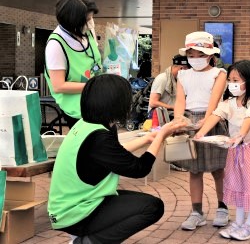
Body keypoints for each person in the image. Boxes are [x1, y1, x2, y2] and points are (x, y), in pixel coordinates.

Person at [47, 74, 186, 244]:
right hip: (74, 213)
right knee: (152, 208)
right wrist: (161, 136)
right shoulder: (99, 136)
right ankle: (87, 242)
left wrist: (147, 139)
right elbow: (139, 169)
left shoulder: (87, 124)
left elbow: (113, 154)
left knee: (139, 203)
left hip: (74, 204)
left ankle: (82, 237)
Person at [196, 60, 250, 240]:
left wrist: (240, 135)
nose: (232, 84)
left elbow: (249, 120)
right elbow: (215, 116)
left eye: (236, 80)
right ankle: (239, 222)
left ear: (248, 81)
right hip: (236, 151)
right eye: (230, 80)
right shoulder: (229, 102)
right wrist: (201, 133)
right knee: (239, 186)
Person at [173, 31, 230, 230]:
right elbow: (180, 101)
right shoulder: (182, 74)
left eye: (200, 55)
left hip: (213, 120)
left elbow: (214, 101)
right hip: (188, 121)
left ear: (211, 56)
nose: (195, 59)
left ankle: (223, 208)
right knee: (194, 170)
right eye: (191, 55)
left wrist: (205, 122)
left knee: (218, 168)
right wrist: (178, 121)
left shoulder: (219, 73)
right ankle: (196, 212)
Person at [45, 0, 103, 129]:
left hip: (97, 101)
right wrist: (93, 87)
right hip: (78, 110)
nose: (91, 24)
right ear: (73, 22)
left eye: (91, 18)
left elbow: (94, 59)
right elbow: (58, 85)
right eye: (87, 20)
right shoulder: (56, 45)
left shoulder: (85, 31)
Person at [148, 54, 190, 172]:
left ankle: (183, 157)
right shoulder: (163, 78)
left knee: (189, 120)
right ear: (181, 68)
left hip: (171, 112)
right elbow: (153, 102)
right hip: (158, 113)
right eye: (187, 69)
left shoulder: (180, 80)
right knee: (181, 125)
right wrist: (172, 107)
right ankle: (175, 160)